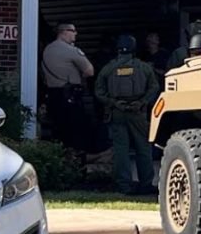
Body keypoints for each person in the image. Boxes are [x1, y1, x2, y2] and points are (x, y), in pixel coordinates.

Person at [95, 35, 160, 195]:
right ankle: (146, 184)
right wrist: (142, 102)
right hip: (138, 113)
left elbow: (99, 91)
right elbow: (154, 87)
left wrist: (113, 103)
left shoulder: (109, 68)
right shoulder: (144, 67)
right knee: (143, 147)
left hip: (117, 112)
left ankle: (123, 185)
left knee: (120, 150)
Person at [42, 23, 95, 153]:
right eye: (73, 30)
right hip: (70, 96)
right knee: (75, 130)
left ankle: (59, 156)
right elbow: (90, 71)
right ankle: (74, 158)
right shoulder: (71, 50)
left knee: (58, 129)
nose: (76, 33)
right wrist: (80, 75)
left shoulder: (47, 49)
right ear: (64, 32)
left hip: (53, 95)